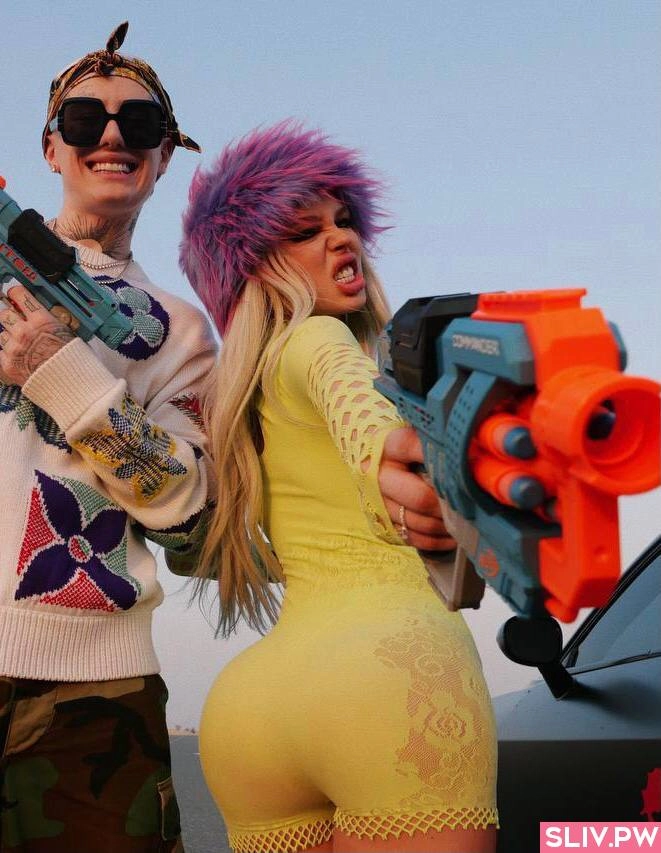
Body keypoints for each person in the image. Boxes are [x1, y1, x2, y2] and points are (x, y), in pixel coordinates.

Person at [180, 121, 498, 853]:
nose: (340, 238)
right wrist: (397, 457)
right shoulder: (321, 339)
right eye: (303, 231)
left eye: (343, 219)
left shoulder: (244, 394)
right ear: (258, 270)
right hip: (389, 676)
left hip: (252, 710)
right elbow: (363, 418)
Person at [0, 22, 215, 853]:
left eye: (141, 122)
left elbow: (190, 517)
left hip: (93, 699)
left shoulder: (178, 332)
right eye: (86, 120)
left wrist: (62, 374)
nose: (114, 136)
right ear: (51, 149)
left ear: (163, 157)